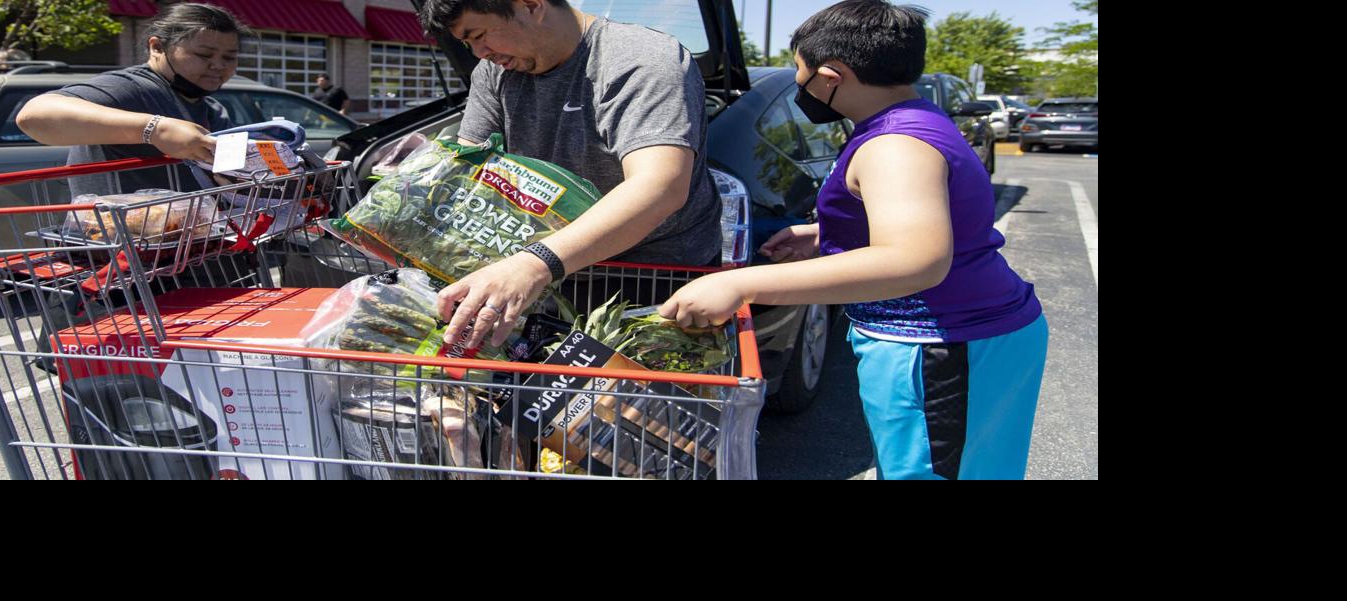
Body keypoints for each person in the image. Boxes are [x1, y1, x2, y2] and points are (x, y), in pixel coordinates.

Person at [658, 1, 1049, 480]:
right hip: (969, 337)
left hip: (944, 347)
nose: (801, 87)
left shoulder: (894, 146)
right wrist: (826, 235)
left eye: (801, 75)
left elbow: (916, 260)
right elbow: (927, 218)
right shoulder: (913, 119)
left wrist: (746, 285)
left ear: (831, 75)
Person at [418, 0, 724, 354]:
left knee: (639, 405)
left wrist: (534, 264)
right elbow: (470, 168)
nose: (480, 53)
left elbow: (660, 187)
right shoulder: (494, 73)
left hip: (656, 279)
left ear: (531, 6)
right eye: (467, 44)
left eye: (480, 35)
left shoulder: (641, 60)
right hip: (551, 273)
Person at [15, 3, 247, 197]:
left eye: (230, 57)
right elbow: (35, 115)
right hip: (123, 245)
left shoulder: (212, 109)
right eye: (203, 55)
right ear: (157, 47)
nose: (218, 65)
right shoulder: (132, 87)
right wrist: (155, 129)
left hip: (192, 244)